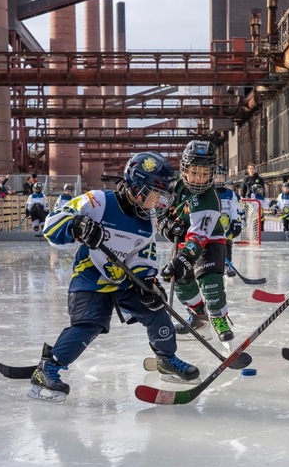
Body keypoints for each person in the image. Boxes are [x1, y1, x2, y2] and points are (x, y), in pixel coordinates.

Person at [29, 152, 199, 402]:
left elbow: (142, 255)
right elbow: (52, 224)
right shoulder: (98, 201)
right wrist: (76, 226)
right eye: (155, 193)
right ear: (137, 187)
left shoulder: (149, 219)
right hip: (91, 277)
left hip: (125, 280)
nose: (158, 201)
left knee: (156, 308)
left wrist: (147, 281)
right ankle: (47, 368)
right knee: (89, 325)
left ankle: (166, 358)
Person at [157, 140, 234, 343]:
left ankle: (219, 318)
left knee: (210, 279)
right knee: (180, 279)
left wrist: (184, 258)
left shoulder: (210, 199)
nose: (199, 179)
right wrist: (165, 224)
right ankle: (199, 318)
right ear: (184, 169)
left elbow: (199, 236)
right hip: (185, 240)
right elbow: (159, 210)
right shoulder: (173, 185)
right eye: (194, 172)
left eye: (205, 173)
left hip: (211, 240)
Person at [214, 168, 242, 278]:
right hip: (213, 226)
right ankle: (214, 266)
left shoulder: (231, 194)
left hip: (227, 226)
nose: (219, 179)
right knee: (213, 246)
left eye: (221, 177)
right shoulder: (211, 193)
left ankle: (228, 265)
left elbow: (235, 209)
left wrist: (236, 222)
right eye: (217, 177)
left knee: (227, 246)